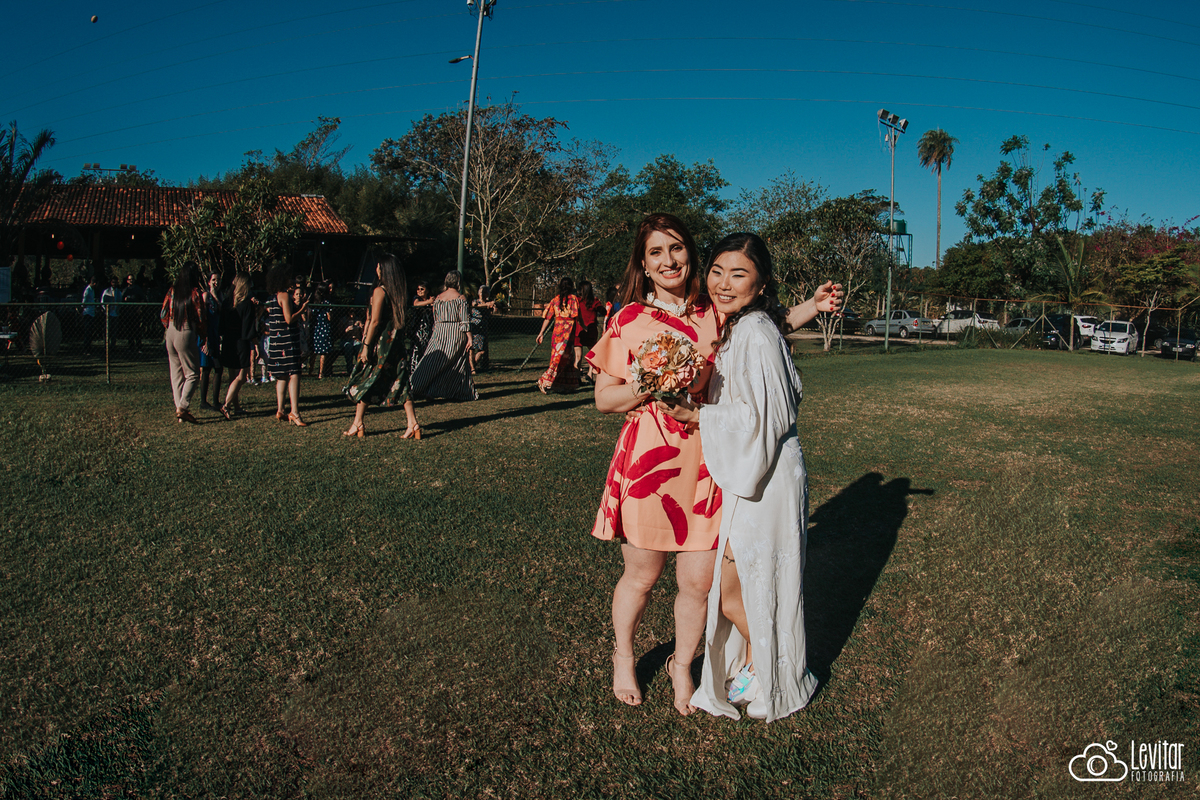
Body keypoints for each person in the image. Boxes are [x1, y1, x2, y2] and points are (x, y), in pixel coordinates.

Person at [658, 232, 840, 722]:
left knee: (746, 580)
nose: (723, 282)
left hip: (768, 473)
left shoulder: (755, 332)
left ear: (760, 284)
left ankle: (775, 670)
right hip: (757, 467)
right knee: (745, 580)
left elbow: (764, 419)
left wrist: (697, 417)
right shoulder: (747, 325)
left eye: (739, 274)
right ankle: (764, 662)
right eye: (717, 271)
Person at [585, 213, 724, 715]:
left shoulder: (716, 313)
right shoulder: (626, 320)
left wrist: (813, 308)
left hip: (708, 458)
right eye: (656, 253)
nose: (669, 261)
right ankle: (624, 654)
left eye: (678, 249)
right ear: (642, 265)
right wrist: (653, 380)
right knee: (642, 576)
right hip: (650, 460)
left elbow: (767, 322)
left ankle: (681, 666)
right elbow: (604, 399)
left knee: (699, 581)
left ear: (691, 253)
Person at [343, 253, 421, 439]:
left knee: (366, 379)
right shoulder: (399, 293)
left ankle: (358, 423)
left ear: (383, 270)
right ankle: (413, 423)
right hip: (396, 345)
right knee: (400, 383)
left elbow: (375, 321)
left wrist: (366, 345)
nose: (376, 269)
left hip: (380, 346)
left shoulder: (380, 291)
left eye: (378, 266)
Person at [409, 271, 478, 401]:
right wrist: (469, 336)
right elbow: (464, 320)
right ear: (458, 282)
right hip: (455, 332)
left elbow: (435, 317)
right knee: (455, 363)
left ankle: (416, 385)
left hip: (439, 331)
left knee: (431, 362)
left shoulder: (438, 298)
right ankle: (431, 389)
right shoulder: (460, 298)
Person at [160, 262, 206, 423]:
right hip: (186, 330)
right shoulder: (194, 293)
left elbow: (163, 313)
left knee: (176, 374)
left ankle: (180, 409)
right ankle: (183, 407)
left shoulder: (172, 291)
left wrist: (168, 326)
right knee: (193, 373)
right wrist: (202, 334)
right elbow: (200, 317)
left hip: (171, 330)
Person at [263, 264, 310, 426]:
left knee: (281, 376)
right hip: (287, 341)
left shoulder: (273, 297)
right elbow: (289, 319)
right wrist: (302, 309)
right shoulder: (284, 296)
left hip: (276, 342)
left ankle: (280, 409)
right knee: (294, 373)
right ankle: (295, 412)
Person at [217, 273, 256, 419]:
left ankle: (237, 407)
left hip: (228, 341)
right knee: (242, 376)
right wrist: (255, 342)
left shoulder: (227, 303)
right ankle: (226, 405)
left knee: (233, 376)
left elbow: (221, 326)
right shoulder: (247, 304)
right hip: (241, 342)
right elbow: (248, 328)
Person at [535, 277, 581, 393]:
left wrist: (541, 333)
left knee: (562, 358)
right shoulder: (573, 299)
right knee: (559, 359)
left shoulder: (555, 300)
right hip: (567, 333)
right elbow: (577, 316)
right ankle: (543, 380)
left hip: (557, 333)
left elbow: (548, 317)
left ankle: (559, 384)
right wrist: (585, 327)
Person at [198, 272, 223, 410]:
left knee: (218, 368)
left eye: (218, 279)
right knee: (207, 368)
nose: (216, 282)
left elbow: (221, 310)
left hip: (215, 335)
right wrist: (205, 339)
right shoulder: (205, 296)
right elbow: (203, 317)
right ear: (208, 282)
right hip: (206, 335)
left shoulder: (219, 296)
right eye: (213, 280)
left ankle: (215, 401)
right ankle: (203, 401)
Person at [573, 281, 602, 380]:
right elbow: (602, 311)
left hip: (578, 330)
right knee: (593, 353)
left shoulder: (576, 301)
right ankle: (590, 373)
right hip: (591, 329)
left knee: (578, 356)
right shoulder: (594, 301)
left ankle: (577, 377)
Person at [407, 280, 435, 378]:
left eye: (422, 289)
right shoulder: (417, 298)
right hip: (418, 329)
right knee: (416, 350)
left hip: (428, 330)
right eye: (418, 289)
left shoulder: (431, 300)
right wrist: (429, 302)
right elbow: (416, 304)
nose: (419, 291)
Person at [469, 284, 497, 373]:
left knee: (482, 351)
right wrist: (487, 305)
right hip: (474, 327)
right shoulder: (475, 301)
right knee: (472, 349)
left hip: (483, 328)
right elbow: (475, 306)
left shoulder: (489, 303)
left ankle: (472, 366)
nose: (482, 294)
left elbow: (493, 312)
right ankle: (472, 368)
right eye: (481, 292)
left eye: (484, 292)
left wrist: (493, 307)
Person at [308, 285, 334, 378]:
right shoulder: (327, 303)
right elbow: (329, 317)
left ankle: (310, 371)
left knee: (313, 352)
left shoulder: (314, 303)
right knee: (323, 353)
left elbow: (310, 316)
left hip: (315, 328)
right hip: (324, 327)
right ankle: (320, 373)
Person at [121, 274, 146, 353]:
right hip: (128, 314)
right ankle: (131, 347)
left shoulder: (138, 289)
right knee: (129, 331)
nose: (131, 281)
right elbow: (121, 300)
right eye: (129, 279)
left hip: (136, 313)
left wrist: (139, 308)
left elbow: (142, 299)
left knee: (137, 331)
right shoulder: (125, 290)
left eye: (132, 279)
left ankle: (139, 347)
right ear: (127, 281)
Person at [100, 275, 122, 350]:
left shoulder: (118, 292)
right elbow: (102, 301)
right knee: (107, 330)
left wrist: (118, 309)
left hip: (115, 313)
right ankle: (106, 345)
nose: (114, 284)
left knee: (114, 331)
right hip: (108, 314)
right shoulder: (107, 291)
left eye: (115, 282)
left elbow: (120, 301)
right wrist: (106, 310)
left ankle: (113, 345)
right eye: (113, 282)